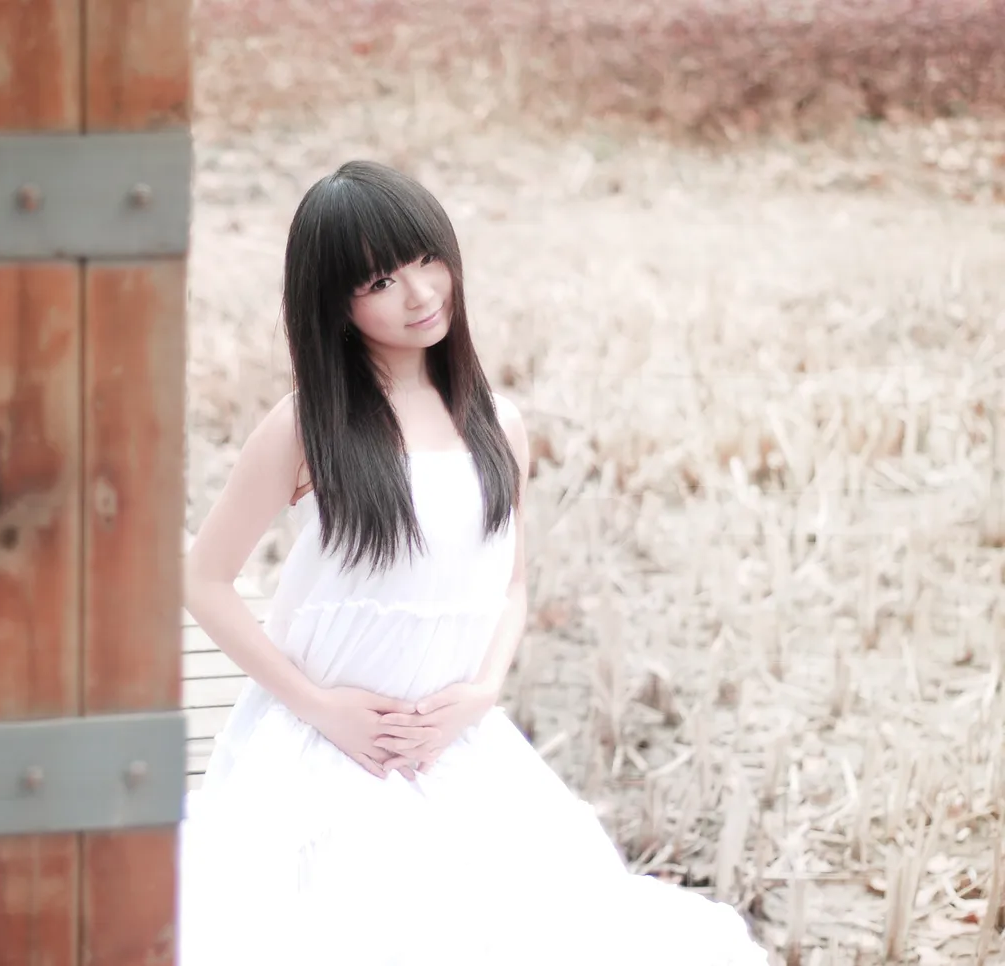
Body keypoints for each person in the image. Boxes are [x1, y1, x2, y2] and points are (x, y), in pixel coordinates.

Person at [177, 159, 768, 965]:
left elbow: (510, 587)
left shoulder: (497, 422)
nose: (420, 293)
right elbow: (204, 579)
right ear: (336, 302)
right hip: (329, 747)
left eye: (428, 259)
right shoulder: (307, 426)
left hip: (453, 741)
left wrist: (482, 694)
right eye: (381, 280)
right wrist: (321, 708)